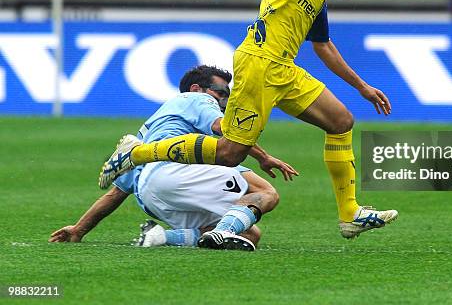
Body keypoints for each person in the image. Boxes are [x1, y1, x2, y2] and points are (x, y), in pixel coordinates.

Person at [99, 0, 398, 239]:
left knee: (341, 121)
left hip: (284, 69)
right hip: (259, 62)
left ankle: (349, 214)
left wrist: (362, 87)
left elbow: (323, 46)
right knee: (230, 153)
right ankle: (136, 152)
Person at [52, 65, 297, 251]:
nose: (225, 98)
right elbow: (226, 129)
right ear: (196, 89)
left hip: (151, 195)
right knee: (265, 192)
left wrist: (78, 229)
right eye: (221, 91)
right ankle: (221, 232)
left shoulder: (148, 131)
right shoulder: (196, 100)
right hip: (172, 170)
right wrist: (264, 157)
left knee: (249, 233)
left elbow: (115, 194)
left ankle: (160, 237)